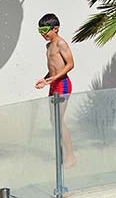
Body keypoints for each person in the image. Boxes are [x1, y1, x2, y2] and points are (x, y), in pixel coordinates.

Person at [35, 13, 76, 167]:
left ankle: (71, 156)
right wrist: (45, 80)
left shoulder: (61, 44)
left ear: (55, 29)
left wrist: (54, 78)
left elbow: (70, 64)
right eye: (40, 31)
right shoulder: (48, 46)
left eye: (45, 30)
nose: (43, 34)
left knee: (59, 120)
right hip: (53, 84)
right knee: (54, 121)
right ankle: (62, 155)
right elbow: (52, 68)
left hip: (63, 84)